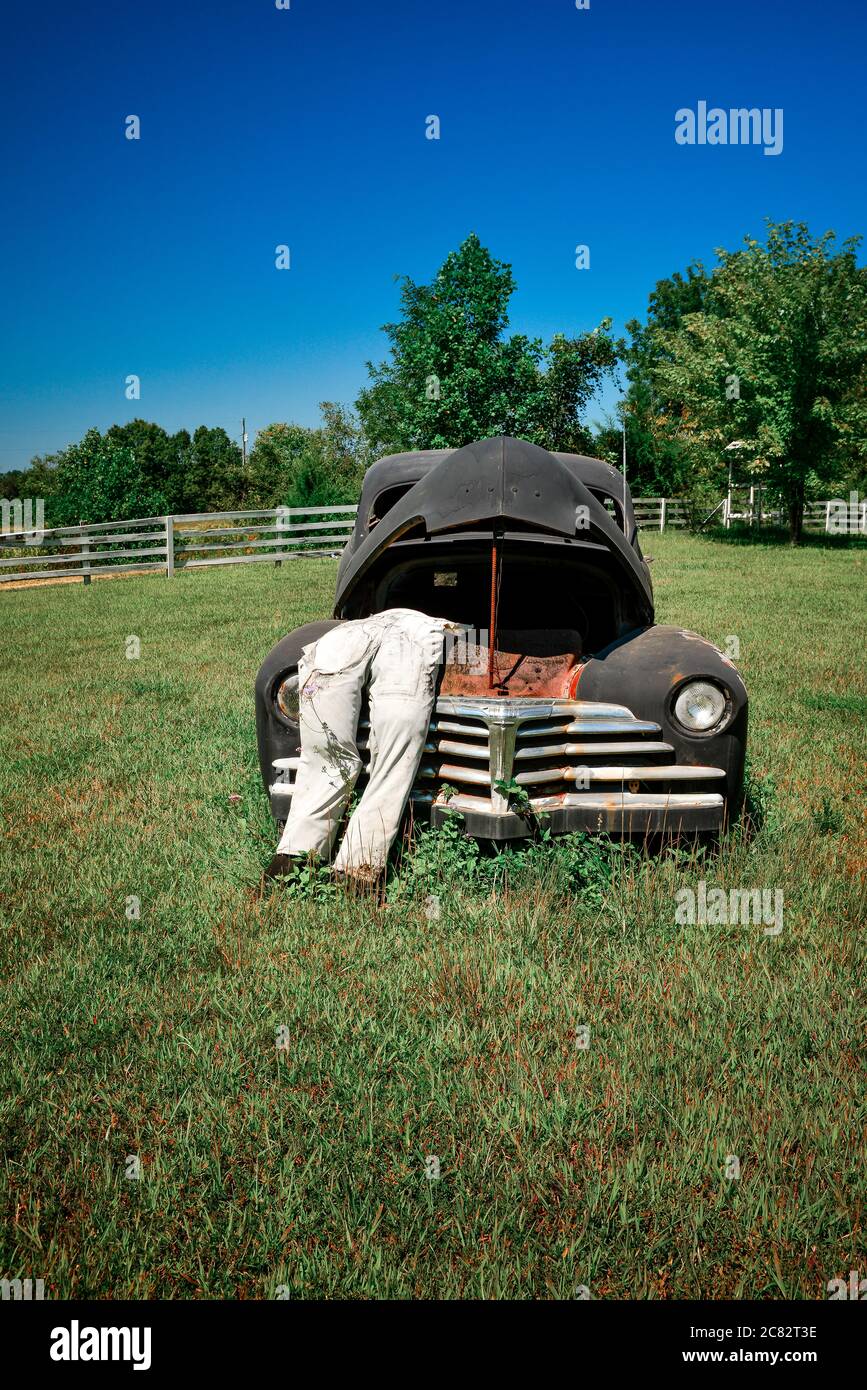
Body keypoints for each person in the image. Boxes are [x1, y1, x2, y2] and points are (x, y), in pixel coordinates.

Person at [263, 608, 466, 888]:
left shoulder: (356, 623)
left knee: (327, 757)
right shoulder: (433, 627)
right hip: (413, 635)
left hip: (349, 636)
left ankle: (293, 859)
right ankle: (357, 869)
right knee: (394, 758)